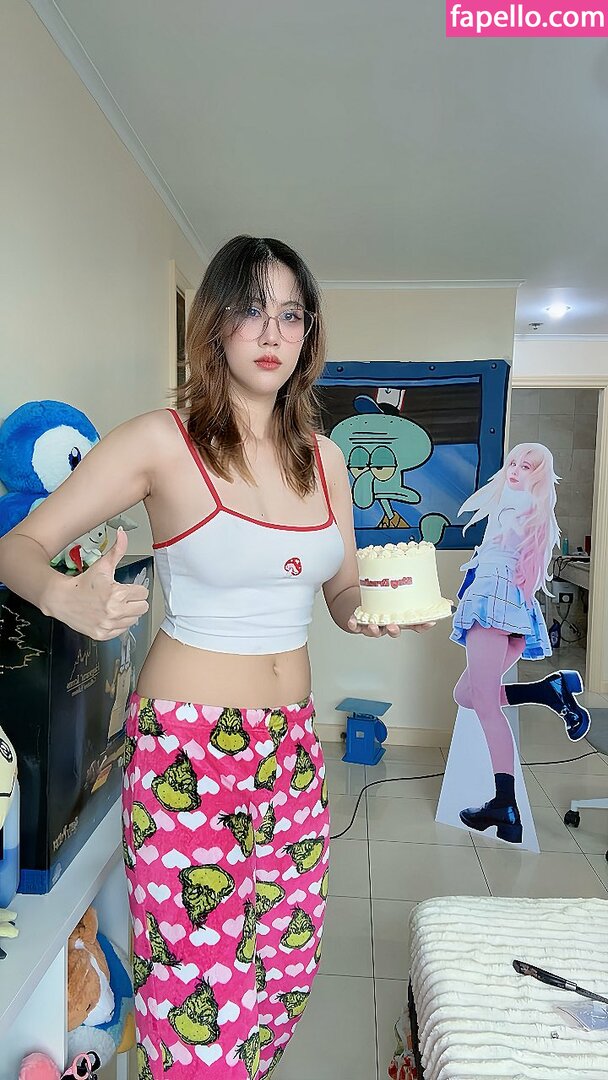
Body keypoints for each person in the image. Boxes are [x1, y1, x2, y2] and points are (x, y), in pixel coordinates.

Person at [0, 235, 431, 1079]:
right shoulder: (162, 442)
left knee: (282, 973)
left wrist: (375, 610)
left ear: (309, 334)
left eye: (292, 315)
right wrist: (62, 595)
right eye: (251, 309)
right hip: (188, 751)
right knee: (198, 1006)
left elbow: (340, 592)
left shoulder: (327, 460)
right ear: (215, 325)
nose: (272, 331)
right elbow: (17, 544)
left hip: (293, 747)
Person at [450, 442, 590, 844]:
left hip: (494, 602)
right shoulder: (533, 509)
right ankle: (548, 691)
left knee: (486, 706)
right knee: (467, 695)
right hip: (510, 606)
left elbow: (493, 555)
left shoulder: (517, 504)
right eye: (513, 462)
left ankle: (504, 803)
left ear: (540, 475)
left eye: (526, 466)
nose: (514, 470)